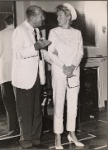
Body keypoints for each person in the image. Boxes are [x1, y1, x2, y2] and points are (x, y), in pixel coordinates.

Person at [12, 5, 51, 149]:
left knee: (36, 111)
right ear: (33, 16)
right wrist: (35, 47)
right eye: (41, 15)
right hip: (23, 79)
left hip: (36, 77)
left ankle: (36, 139)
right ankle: (26, 142)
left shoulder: (36, 31)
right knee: (25, 112)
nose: (43, 18)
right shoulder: (19, 30)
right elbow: (17, 53)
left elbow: (41, 55)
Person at [48, 3, 84, 149]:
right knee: (59, 105)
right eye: (57, 15)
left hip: (74, 72)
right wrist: (64, 66)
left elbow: (80, 52)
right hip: (59, 71)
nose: (58, 18)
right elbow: (51, 53)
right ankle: (57, 137)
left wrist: (72, 66)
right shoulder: (53, 32)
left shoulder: (77, 33)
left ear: (68, 16)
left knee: (73, 106)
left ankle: (71, 133)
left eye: (60, 15)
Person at [0, 15, 20, 136]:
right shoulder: (19, 32)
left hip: (5, 72)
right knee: (20, 101)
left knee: (9, 103)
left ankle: (12, 129)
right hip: (19, 72)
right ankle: (23, 129)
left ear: (5, 23)